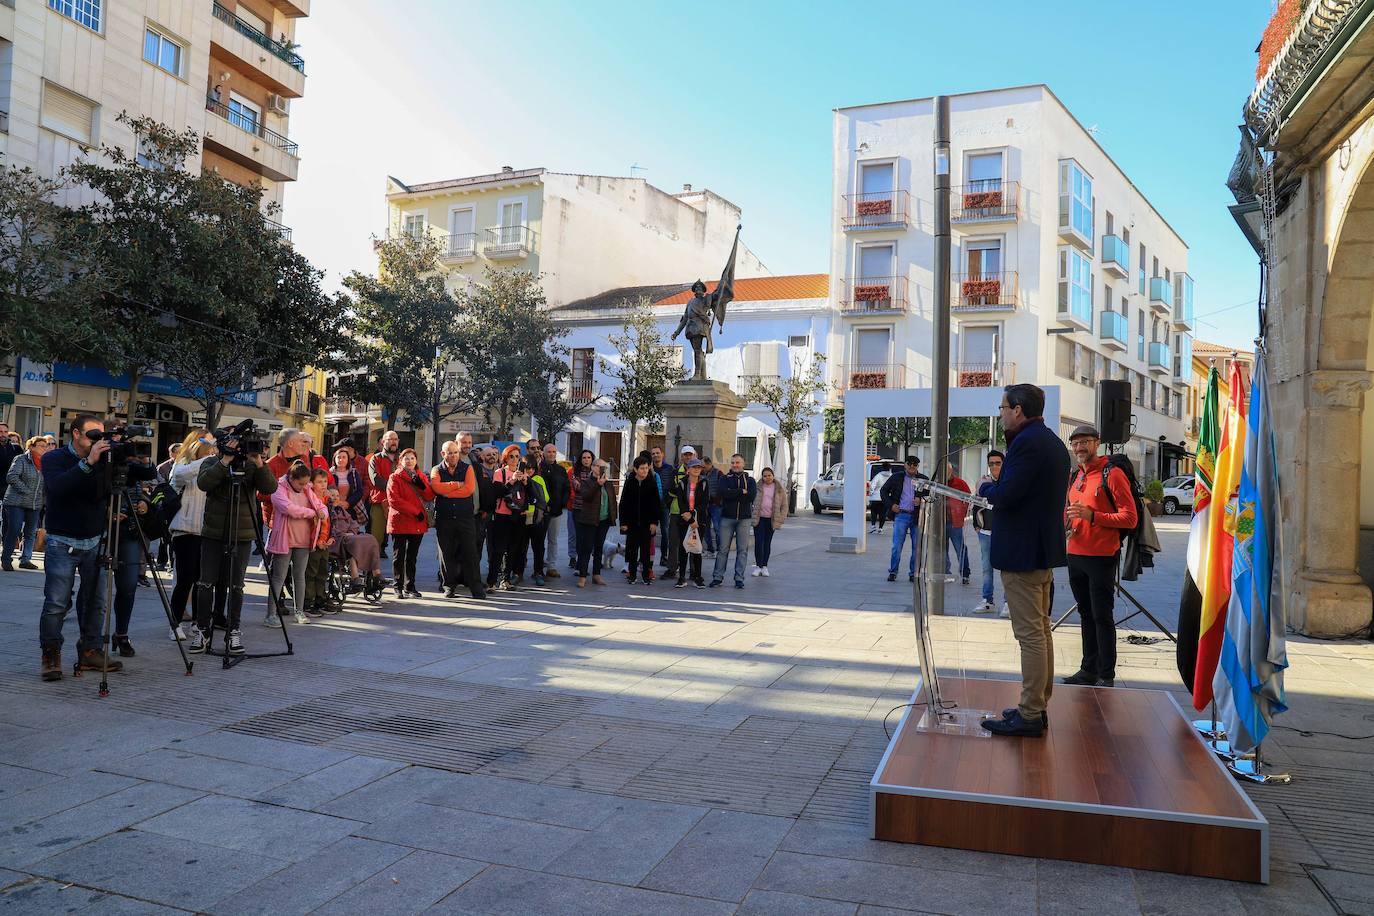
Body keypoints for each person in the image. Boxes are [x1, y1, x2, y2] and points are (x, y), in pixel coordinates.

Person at [980, 384, 1072, 738]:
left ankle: (1030, 713)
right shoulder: (1050, 441)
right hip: (1038, 550)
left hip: (1023, 553)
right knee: (1041, 630)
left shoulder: (1027, 443)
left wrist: (986, 489)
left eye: (1003, 407)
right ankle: (1037, 704)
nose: (1001, 413)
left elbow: (1007, 494)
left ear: (1018, 409)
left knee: (1030, 634)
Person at [38, 415, 156, 679]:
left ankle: (90, 651)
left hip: (96, 540)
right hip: (61, 540)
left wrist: (139, 456)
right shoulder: (54, 458)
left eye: (101, 435)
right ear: (77, 434)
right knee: (57, 603)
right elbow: (58, 487)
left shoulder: (107, 459)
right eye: (93, 435)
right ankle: (51, 654)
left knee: (98, 601)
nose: (98, 440)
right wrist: (89, 462)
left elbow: (147, 475)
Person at [1064, 425, 1137, 688]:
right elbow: (1069, 510)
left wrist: (1093, 516)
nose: (1079, 448)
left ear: (1097, 443)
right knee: (1085, 614)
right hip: (1075, 554)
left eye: (1084, 442)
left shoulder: (1112, 474)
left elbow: (1130, 518)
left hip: (1102, 556)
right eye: (1075, 444)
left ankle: (1106, 675)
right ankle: (1088, 669)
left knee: (1102, 616)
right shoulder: (1075, 476)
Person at [191, 431, 277, 655]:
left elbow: (270, 488)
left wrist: (258, 462)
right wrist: (225, 460)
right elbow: (204, 483)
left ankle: (234, 631)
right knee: (206, 583)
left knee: (237, 585)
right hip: (213, 533)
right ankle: (202, 630)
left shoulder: (250, 466)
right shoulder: (212, 462)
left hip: (242, 534)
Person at [167, 430, 216, 640]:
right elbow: (179, 477)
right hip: (184, 529)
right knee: (185, 579)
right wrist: (207, 460)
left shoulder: (213, 465)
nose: (212, 446)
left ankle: (198, 622)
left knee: (202, 580)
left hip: (206, 530)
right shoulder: (183, 463)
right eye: (208, 442)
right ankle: (174, 623)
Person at [265, 462, 326, 625]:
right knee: (278, 577)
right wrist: (313, 513)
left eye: (307, 483)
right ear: (291, 478)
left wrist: (322, 512)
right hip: (285, 540)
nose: (304, 486)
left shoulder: (307, 489)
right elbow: (288, 509)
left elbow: (322, 507)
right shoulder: (278, 488)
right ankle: (271, 614)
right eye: (301, 483)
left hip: (303, 540)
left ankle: (299, 611)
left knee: (300, 577)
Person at [430, 439, 486, 600]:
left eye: (456, 452)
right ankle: (449, 586)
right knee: (446, 554)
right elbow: (436, 487)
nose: (454, 455)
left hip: (465, 518)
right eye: (450, 453)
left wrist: (446, 491)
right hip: (444, 518)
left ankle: (476, 588)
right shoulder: (436, 469)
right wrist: (456, 485)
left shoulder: (467, 468)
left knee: (471, 553)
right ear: (443, 454)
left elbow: (468, 490)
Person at [386, 447, 433, 599]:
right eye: (406, 458)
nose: (410, 461)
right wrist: (415, 512)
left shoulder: (420, 476)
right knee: (398, 555)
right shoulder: (395, 477)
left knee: (412, 557)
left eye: (412, 458)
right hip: (401, 521)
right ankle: (397, 586)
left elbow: (429, 496)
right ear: (401, 461)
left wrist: (422, 485)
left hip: (417, 522)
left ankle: (410, 586)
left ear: (416, 460)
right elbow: (394, 500)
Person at [2, 435, 48, 571]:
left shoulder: (46, 462)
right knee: (14, 529)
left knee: (30, 532)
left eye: (45, 446)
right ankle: (6, 559)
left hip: (35, 503)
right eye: (41, 446)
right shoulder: (21, 459)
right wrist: (27, 490)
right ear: (31, 446)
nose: (44, 449)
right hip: (16, 502)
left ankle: (25, 559)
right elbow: (11, 477)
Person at [711, 454, 756, 589]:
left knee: (742, 550)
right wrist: (740, 491)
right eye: (733, 463)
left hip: (744, 519)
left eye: (738, 462)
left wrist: (733, 493)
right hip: (727, 518)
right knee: (722, 549)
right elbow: (722, 493)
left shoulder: (751, 480)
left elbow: (751, 496)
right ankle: (717, 577)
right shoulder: (725, 478)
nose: (735, 465)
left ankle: (739, 578)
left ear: (743, 464)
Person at [327, 486, 384, 593]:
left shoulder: (342, 510)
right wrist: (344, 534)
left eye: (337, 495)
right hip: (337, 540)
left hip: (349, 537)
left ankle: (377, 574)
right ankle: (355, 579)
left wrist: (351, 532)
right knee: (355, 544)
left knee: (371, 538)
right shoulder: (327, 511)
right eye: (332, 495)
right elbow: (330, 528)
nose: (335, 498)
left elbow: (353, 524)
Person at [882, 455, 927, 583]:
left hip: (917, 516)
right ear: (905, 465)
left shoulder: (924, 479)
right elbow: (883, 491)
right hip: (901, 514)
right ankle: (893, 571)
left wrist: (921, 500)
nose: (912, 467)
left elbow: (930, 496)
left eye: (915, 465)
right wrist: (891, 505)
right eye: (909, 464)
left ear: (918, 466)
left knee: (916, 547)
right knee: (897, 546)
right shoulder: (896, 477)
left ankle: (913, 573)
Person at [573, 457, 617, 587]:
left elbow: (612, 502)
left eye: (604, 467)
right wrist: (597, 484)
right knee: (586, 548)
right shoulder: (587, 482)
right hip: (589, 520)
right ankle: (582, 576)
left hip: (603, 520)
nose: (602, 469)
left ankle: (596, 574)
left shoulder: (608, 483)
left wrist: (613, 517)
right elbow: (586, 496)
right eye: (599, 467)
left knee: (599, 548)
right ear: (593, 467)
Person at [618, 455, 661, 585]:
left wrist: (654, 522)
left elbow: (656, 504)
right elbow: (623, 504)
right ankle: (632, 574)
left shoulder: (651, 482)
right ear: (636, 470)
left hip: (646, 523)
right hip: (631, 523)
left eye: (646, 468)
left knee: (645, 550)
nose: (644, 471)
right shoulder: (630, 482)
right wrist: (623, 523)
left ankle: (646, 575)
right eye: (642, 468)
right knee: (632, 550)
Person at [303, 469, 340, 616]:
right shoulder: (310, 500)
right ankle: (308, 601)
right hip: (314, 542)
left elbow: (333, 520)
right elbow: (311, 523)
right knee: (311, 572)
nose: (323, 485)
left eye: (325, 481)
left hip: (326, 541)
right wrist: (317, 540)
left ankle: (321, 599)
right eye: (319, 481)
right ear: (312, 483)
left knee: (322, 572)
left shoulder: (328, 500)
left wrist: (332, 537)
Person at [972, 450, 1004, 615]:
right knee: (986, 568)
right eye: (991, 463)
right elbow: (976, 503)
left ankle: (1008, 602)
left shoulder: (1008, 481)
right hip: (985, 532)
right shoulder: (983, 481)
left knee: (1006, 568)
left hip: (1005, 533)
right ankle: (987, 600)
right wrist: (976, 525)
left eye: (998, 463)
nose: (994, 466)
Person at [671, 458, 709, 588]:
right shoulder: (682, 483)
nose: (697, 469)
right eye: (694, 467)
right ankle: (681, 577)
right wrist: (688, 517)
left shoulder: (704, 483)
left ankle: (697, 576)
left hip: (699, 520)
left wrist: (693, 518)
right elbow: (681, 502)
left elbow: (704, 503)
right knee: (683, 548)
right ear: (688, 470)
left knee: (697, 549)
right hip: (684, 519)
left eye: (699, 467)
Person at [538, 443, 569, 579]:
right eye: (549, 452)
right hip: (541, 511)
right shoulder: (539, 469)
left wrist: (562, 503)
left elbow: (566, 488)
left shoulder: (561, 470)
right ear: (543, 453)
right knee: (538, 541)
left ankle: (551, 566)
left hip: (556, 511)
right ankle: (538, 568)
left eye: (554, 452)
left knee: (553, 540)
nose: (551, 454)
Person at [368, 430, 400, 557]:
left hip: (399, 504)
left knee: (399, 539)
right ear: (383, 442)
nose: (393, 442)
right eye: (390, 439)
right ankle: (370, 572)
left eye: (396, 439)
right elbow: (375, 479)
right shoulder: (375, 459)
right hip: (380, 503)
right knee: (376, 538)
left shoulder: (402, 459)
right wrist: (396, 488)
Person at [751, 466, 787, 577]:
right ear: (762, 477)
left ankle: (765, 566)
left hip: (771, 520)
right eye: (765, 476)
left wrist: (780, 519)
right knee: (758, 543)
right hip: (759, 518)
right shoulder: (757, 487)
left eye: (769, 475)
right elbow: (750, 501)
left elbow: (784, 505)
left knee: (767, 543)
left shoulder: (779, 488)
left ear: (773, 476)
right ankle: (758, 566)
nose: (767, 478)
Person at [943, 463, 973, 585]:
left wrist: (962, 513)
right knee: (942, 549)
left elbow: (969, 499)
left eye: (947, 470)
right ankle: (945, 572)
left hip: (955, 522)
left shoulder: (960, 483)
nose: (946, 473)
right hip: (941, 522)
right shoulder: (938, 482)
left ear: (951, 471)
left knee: (960, 548)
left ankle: (965, 573)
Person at [474, 445, 499, 582]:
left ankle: (492, 576)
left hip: (498, 514)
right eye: (488, 454)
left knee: (494, 546)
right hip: (481, 514)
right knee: (478, 544)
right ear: (482, 457)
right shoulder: (477, 471)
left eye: (494, 454)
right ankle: (474, 575)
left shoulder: (500, 471)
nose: (492, 457)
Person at [650, 446, 675, 567]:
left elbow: (673, 486)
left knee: (665, 532)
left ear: (662, 454)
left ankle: (664, 557)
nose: (655, 455)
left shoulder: (669, 469)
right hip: (652, 506)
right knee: (650, 532)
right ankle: (648, 557)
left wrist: (669, 501)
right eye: (653, 453)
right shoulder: (649, 469)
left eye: (657, 453)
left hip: (664, 505)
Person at [700, 455, 724, 554]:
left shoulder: (718, 473)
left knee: (717, 528)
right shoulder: (701, 474)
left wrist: (718, 501)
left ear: (709, 464)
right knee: (705, 528)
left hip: (716, 505)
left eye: (703, 466)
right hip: (705, 505)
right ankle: (710, 549)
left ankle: (719, 549)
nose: (702, 468)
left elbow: (723, 489)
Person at [330, 446, 365, 511]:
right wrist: (337, 503)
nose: (341, 460)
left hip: (351, 507)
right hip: (333, 507)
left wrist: (348, 503)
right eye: (339, 457)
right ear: (334, 459)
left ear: (348, 459)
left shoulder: (353, 473)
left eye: (344, 457)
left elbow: (359, 491)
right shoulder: (330, 473)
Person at [0, 420, 21, 504]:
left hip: (11, 489)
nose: (3, 434)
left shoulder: (16, 448)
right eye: (0, 431)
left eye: (5, 431)